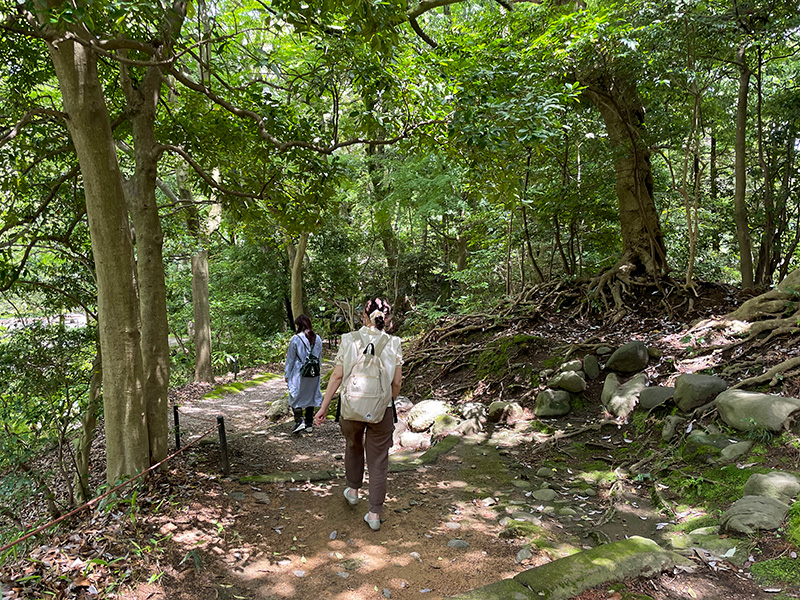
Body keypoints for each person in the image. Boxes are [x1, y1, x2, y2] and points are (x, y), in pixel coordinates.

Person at [315, 298, 402, 531]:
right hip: (382, 410)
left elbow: (336, 377)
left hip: (351, 408)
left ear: (364, 317)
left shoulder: (349, 340)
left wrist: (323, 407)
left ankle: (353, 491)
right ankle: (374, 514)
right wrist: (386, 402)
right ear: (388, 320)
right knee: (378, 460)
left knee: (353, 445)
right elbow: (396, 383)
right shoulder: (394, 343)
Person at [285, 314, 323, 434]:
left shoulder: (296, 339)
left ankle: (299, 421)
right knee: (310, 396)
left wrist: (287, 374)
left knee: (295, 395)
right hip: (314, 372)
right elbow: (319, 357)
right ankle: (309, 424)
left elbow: (291, 359)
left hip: (299, 372)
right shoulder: (318, 339)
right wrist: (317, 371)